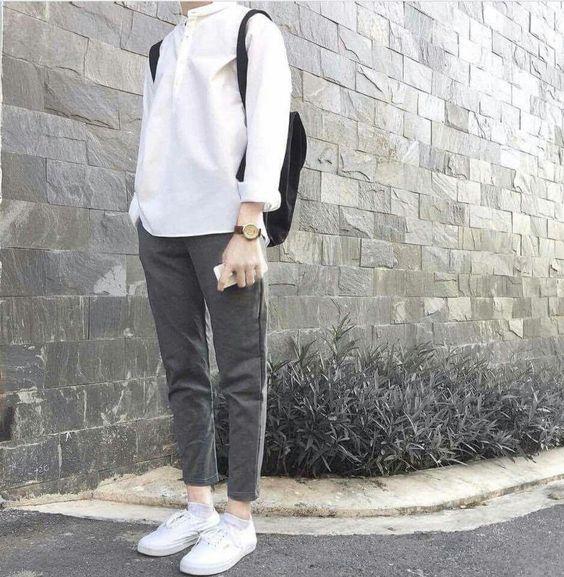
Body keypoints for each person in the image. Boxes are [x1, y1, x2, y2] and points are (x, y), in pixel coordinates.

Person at [128, 1, 292, 574]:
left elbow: (269, 125)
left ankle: (238, 520)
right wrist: (142, 209)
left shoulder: (251, 29)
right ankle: (198, 506)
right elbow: (152, 136)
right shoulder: (163, 49)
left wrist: (250, 226)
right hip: (161, 228)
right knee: (184, 370)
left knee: (242, 372)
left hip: (225, 228)